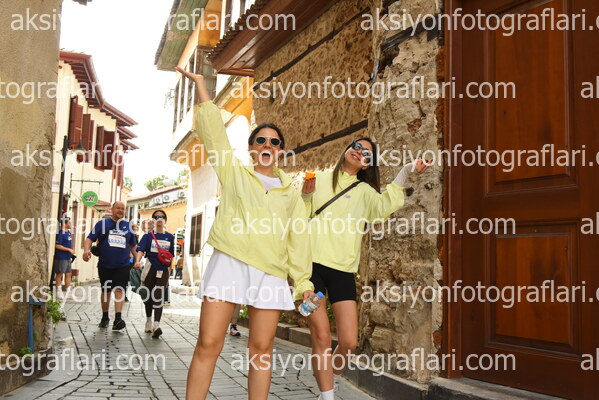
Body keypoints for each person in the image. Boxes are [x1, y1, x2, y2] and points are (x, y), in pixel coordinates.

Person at [177, 66, 315, 400]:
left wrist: (304, 283)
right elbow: (214, 136)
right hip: (229, 263)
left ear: (280, 150)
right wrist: (202, 88)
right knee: (208, 342)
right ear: (252, 147)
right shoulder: (234, 171)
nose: (268, 144)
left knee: (261, 350)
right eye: (261, 140)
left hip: (270, 272)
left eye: (274, 142)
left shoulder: (290, 193)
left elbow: (298, 238)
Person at [301, 140, 430, 400]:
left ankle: (327, 380)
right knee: (322, 336)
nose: (359, 152)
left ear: (367, 165)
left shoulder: (364, 192)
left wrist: (406, 171)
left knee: (349, 342)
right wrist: (305, 196)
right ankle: (327, 396)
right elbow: (298, 217)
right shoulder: (319, 179)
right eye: (356, 146)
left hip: (343, 270)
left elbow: (383, 208)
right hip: (311, 267)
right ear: (346, 149)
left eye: (366, 153)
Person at [83, 201, 140, 330]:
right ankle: (105, 317)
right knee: (106, 291)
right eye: (118, 208)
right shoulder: (102, 224)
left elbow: (133, 246)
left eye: (122, 209)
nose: (120, 210)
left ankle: (118, 318)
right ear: (112, 209)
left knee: (120, 290)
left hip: (122, 265)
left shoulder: (128, 226)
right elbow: (89, 238)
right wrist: (86, 251)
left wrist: (137, 260)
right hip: (105, 264)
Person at [135, 209, 175, 339]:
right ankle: (148, 321)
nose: (159, 219)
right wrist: (137, 261)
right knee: (148, 297)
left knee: (158, 295)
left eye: (162, 217)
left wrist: (170, 267)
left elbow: (171, 255)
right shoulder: (148, 236)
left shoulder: (170, 237)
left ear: (165, 220)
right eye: (156, 217)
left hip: (163, 270)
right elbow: (140, 250)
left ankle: (157, 325)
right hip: (150, 269)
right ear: (153, 220)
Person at [54, 217, 75, 299]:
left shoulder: (68, 233)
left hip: (68, 257)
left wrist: (71, 251)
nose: (70, 224)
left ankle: (68, 292)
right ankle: (58, 292)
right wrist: (68, 249)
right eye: (69, 223)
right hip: (61, 257)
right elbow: (57, 245)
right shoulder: (61, 233)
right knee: (60, 273)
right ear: (65, 224)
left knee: (68, 274)